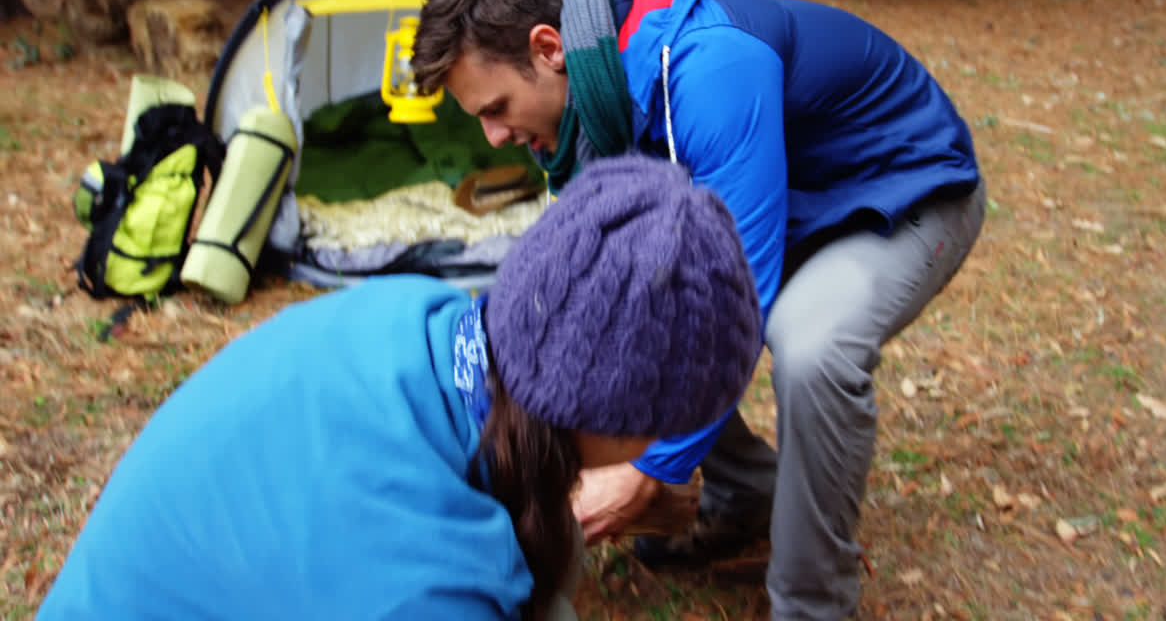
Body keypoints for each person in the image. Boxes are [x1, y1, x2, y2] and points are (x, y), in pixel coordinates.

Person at [411, 0, 986, 619]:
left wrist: (647, 470)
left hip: (900, 195)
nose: (495, 135)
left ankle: (812, 602)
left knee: (811, 348)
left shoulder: (707, 68)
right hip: (796, 205)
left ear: (548, 48)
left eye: (497, 106)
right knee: (631, 312)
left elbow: (736, 292)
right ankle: (745, 493)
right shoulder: (591, 102)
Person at [35, 156, 762, 621]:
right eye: (666, 424)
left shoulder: (427, 319)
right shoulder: (425, 578)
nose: (667, 448)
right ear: (601, 407)